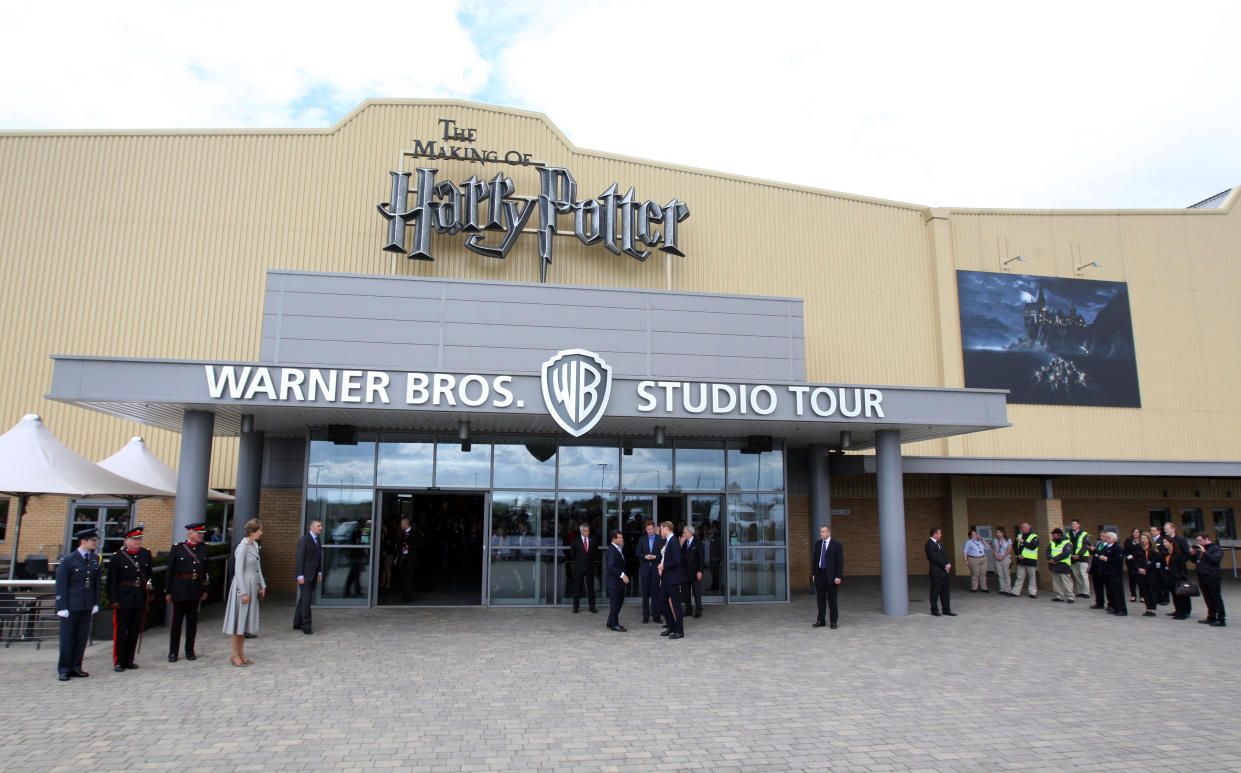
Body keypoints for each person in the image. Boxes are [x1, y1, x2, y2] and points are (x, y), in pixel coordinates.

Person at [54, 528, 102, 681]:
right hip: (71, 604)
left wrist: (95, 602)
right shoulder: (69, 560)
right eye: (92, 540)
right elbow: (61, 584)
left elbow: (96, 583)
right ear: (83, 542)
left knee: (81, 638)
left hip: (86, 603)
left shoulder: (94, 559)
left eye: (95, 540)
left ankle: (76, 666)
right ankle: (64, 668)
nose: (95, 543)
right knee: (67, 638)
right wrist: (61, 606)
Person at [106, 526, 152, 672]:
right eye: (134, 539)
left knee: (134, 630)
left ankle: (129, 659)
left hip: (139, 596)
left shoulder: (145, 554)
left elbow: (149, 576)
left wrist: (150, 593)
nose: (137, 542)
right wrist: (113, 600)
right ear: (126, 540)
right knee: (121, 630)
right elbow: (111, 581)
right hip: (123, 596)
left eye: (139, 539)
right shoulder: (118, 557)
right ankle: (119, 660)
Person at [223, 519, 267, 667]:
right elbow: (238, 571)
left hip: (252, 585)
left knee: (244, 622)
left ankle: (241, 653)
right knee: (238, 622)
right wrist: (243, 592)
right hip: (242, 587)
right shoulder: (242, 547)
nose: (261, 532)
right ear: (252, 531)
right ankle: (235, 654)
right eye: (259, 530)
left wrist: (262, 585)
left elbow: (257, 567)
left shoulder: (254, 545)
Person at [166, 522, 210, 662]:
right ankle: (173, 652)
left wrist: (205, 589)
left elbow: (206, 572)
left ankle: (189, 650)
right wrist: (168, 591)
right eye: (198, 533)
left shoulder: (204, 549)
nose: (201, 536)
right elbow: (170, 571)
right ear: (190, 533)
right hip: (180, 588)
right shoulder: (178, 549)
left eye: (202, 534)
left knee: (192, 623)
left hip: (195, 588)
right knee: (177, 623)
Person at [810, 525, 844, 628]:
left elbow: (840, 562)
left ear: (829, 532)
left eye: (823, 532)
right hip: (819, 575)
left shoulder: (836, 545)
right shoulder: (818, 544)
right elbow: (815, 560)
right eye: (821, 532)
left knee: (832, 600)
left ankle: (833, 621)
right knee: (820, 599)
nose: (821, 533)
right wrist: (814, 574)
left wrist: (838, 576)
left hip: (831, 576)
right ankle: (821, 620)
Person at [294, 519, 323, 634]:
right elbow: (300, 558)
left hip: (313, 574)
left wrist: (319, 572)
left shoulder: (317, 540)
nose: (320, 528)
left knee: (303, 599)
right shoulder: (305, 540)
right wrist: (300, 575)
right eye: (318, 526)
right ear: (311, 527)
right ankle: (306, 625)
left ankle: (297, 622)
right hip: (305, 575)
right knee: (306, 600)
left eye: (321, 526)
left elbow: (318, 557)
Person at [1190, 532, 1226, 626]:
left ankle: (1221, 619)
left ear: (1206, 539)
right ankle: (1211, 616)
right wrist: (1193, 553)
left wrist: (1204, 552)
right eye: (1198, 541)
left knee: (1216, 597)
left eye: (1200, 540)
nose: (1199, 542)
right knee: (1208, 598)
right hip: (1202, 577)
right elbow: (1195, 560)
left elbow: (1215, 560)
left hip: (1212, 576)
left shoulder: (1215, 548)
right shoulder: (1201, 549)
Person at [657, 521, 685, 639]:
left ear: (666, 529)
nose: (660, 532)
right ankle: (671, 626)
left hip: (673, 579)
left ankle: (679, 631)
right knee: (663, 601)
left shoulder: (673, 542)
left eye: (661, 529)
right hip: (666, 578)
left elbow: (676, 560)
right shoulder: (669, 541)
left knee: (676, 605)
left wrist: (664, 566)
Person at [1163, 522, 1193, 620]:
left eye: (1167, 529)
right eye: (1165, 529)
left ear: (1173, 529)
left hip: (1179, 570)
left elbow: (1187, 553)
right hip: (1171, 572)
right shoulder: (1165, 540)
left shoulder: (1181, 540)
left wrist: (1180, 562)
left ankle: (1186, 610)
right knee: (1174, 592)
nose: (1165, 531)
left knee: (1183, 591)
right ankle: (1178, 609)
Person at [636, 520, 662, 624]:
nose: (650, 531)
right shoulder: (642, 539)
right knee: (645, 594)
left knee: (656, 593)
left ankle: (656, 616)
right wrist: (644, 556)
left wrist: (655, 557)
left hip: (655, 569)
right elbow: (637, 552)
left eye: (651, 529)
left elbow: (663, 554)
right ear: (645, 530)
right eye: (648, 529)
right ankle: (645, 616)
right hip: (645, 570)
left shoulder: (660, 539)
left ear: (654, 528)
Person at [1096, 530, 1127, 616]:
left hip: (1115, 573)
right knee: (1110, 592)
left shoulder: (1118, 548)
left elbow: (1118, 560)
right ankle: (1114, 607)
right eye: (1106, 537)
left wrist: (1106, 559)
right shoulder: (1106, 547)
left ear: (1113, 539)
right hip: (1106, 573)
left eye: (1108, 537)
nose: (1106, 539)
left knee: (1118, 592)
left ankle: (1121, 609)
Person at [925, 528, 955, 616]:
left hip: (945, 572)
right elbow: (934, 558)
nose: (941, 535)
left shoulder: (940, 545)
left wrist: (948, 563)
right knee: (935, 592)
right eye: (940, 533)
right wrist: (944, 565)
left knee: (946, 592)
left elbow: (945, 556)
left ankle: (946, 609)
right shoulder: (929, 544)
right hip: (936, 572)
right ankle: (934, 610)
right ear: (935, 534)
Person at [569, 523, 597, 613]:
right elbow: (572, 554)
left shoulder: (593, 540)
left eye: (588, 530)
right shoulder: (575, 541)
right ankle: (575, 607)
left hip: (589, 567)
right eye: (585, 531)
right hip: (579, 567)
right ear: (581, 531)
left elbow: (595, 553)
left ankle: (592, 607)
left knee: (590, 588)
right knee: (577, 587)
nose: (587, 532)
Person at [604, 530, 629, 632]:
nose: (622, 539)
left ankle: (610, 621)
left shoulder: (618, 549)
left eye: (622, 537)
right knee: (615, 603)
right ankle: (615, 624)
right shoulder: (611, 550)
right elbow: (610, 567)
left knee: (618, 602)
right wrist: (622, 575)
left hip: (618, 583)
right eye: (620, 538)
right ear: (614, 539)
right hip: (613, 582)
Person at [1132, 532, 1161, 616]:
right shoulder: (1138, 548)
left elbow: (1154, 561)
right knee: (1144, 591)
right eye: (1142, 539)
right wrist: (1139, 568)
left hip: (1151, 573)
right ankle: (1148, 608)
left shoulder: (1152, 550)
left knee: (1152, 591)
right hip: (1141, 573)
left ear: (1149, 540)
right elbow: (1135, 559)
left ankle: (1153, 609)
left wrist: (1146, 568)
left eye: (1145, 539)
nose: (1143, 541)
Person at [681, 525, 704, 619]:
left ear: (690, 533)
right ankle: (688, 609)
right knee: (686, 592)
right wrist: (681, 545)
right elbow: (681, 557)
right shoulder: (684, 543)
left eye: (684, 532)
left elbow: (701, 558)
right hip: (685, 572)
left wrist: (700, 571)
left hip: (695, 571)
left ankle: (698, 610)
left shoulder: (697, 543)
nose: (683, 534)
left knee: (696, 592)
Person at [1012, 522, 1039, 598]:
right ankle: (1015, 592)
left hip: (1031, 560)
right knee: (1019, 576)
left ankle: (1032, 592)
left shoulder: (1034, 536)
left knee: (1032, 577)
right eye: (1021, 528)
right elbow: (1015, 546)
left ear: (1028, 528)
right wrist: (1018, 554)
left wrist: (1023, 542)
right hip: (1021, 560)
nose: (1022, 529)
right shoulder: (1019, 536)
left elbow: (1033, 546)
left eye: (1023, 528)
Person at [1047, 528, 1074, 603]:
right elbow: (1048, 551)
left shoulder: (1067, 543)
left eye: (1054, 534)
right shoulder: (1052, 542)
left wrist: (1055, 559)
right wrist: (1050, 558)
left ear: (1059, 535)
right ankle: (1060, 596)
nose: (1052, 535)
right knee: (1057, 581)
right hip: (1054, 565)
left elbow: (1066, 553)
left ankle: (1070, 596)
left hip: (1063, 565)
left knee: (1067, 581)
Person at [1067, 520, 1092, 599]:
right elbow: (1067, 545)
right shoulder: (1068, 534)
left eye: (1074, 524)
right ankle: (1080, 591)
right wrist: (1072, 555)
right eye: (1072, 524)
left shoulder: (1084, 534)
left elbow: (1085, 546)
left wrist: (1078, 555)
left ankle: (1086, 592)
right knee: (1076, 575)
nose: (1072, 525)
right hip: (1073, 558)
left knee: (1083, 575)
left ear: (1078, 525)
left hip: (1083, 557)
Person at [395, 516, 416, 603]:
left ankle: (408, 597)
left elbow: (418, 545)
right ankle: (404, 595)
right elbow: (399, 546)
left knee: (409, 578)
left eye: (402, 523)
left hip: (410, 559)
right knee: (403, 577)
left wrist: (409, 547)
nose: (401, 525)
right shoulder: (402, 534)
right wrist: (397, 557)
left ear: (406, 524)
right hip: (403, 558)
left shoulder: (414, 533)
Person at [962, 528, 989, 592]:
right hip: (974, 559)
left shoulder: (980, 541)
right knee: (975, 573)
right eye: (973, 534)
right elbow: (965, 551)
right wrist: (966, 560)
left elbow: (988, 548)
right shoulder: (968, 542)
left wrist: (983, 540)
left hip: (983, 558)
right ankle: (974, 588)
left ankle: (984, 588)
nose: (975, 535)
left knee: (983, 573)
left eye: (976, 534)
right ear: (970, 536)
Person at [992, 527, 1013, 596]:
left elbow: (1009, 549)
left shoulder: (1008, 540)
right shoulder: (995, 540)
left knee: (1006, 574)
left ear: (1002, 533)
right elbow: (994, 548)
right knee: (1000, 574)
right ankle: (1002, 588)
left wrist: (1004, 556)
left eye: (998, 532)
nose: (997, 534)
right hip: (998, 558)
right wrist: (996, 555)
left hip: (1005, 558)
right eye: (996, 532)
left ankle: (1008, 589)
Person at [1123, 527, 1142, 603]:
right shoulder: (1128, 541)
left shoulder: (1141, 541)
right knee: (1132, 578)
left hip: (1140, 562)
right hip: (1131, 562)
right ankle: (1133, 595)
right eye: (1134, 532)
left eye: (1137, 532)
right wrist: (1128, 556)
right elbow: (1125, 551)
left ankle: (1142, 596)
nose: (1135, 533)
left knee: (1141, 579)